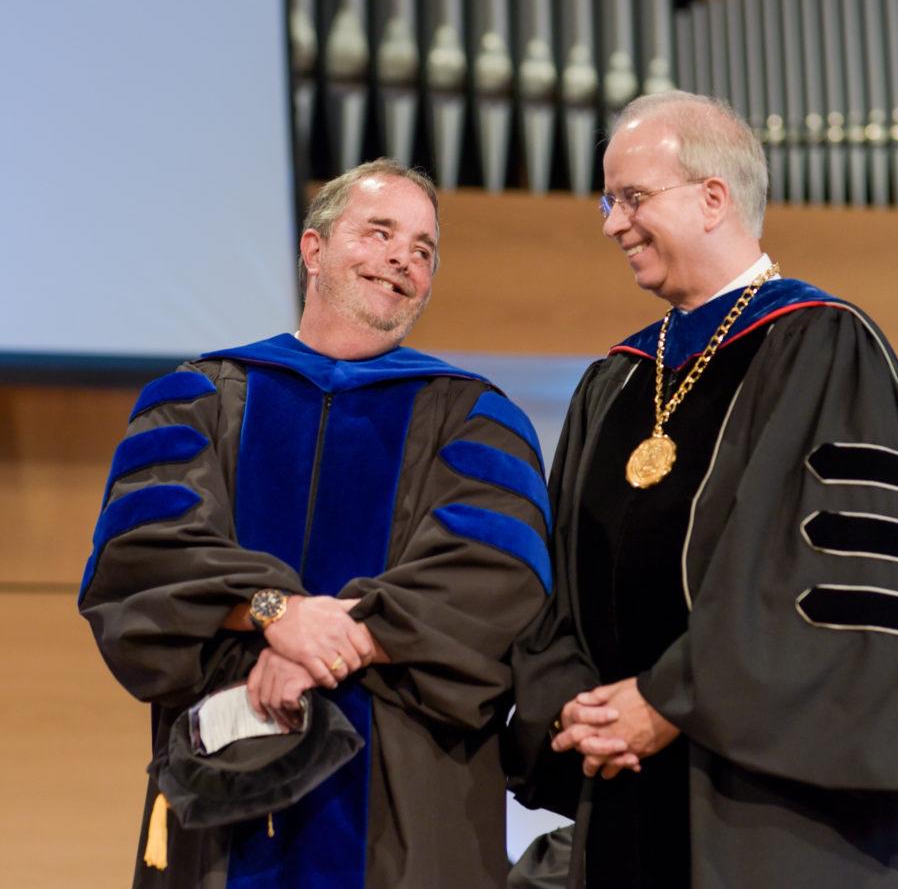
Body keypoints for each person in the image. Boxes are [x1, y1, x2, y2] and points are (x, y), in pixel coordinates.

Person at [507, 92, 898, 888]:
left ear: (713, 197)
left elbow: (823, 578)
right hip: (619, 790)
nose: (612, 223)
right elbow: (555, 587)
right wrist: (572, 708)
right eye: (607, 201)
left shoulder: (825, 345)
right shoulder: (612, 384)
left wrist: (668, 701)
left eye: (632, 198)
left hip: (769, 806)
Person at [79, 158, 551, 888]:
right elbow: (144, 555)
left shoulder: (478, 419)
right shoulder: (197, 399)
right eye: (380, 232)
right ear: (313, 249)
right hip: (230, 798)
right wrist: (276, 612)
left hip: (407, 809)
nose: (403, 258)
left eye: (423, 249)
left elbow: (495, 575)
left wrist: (323, 643)